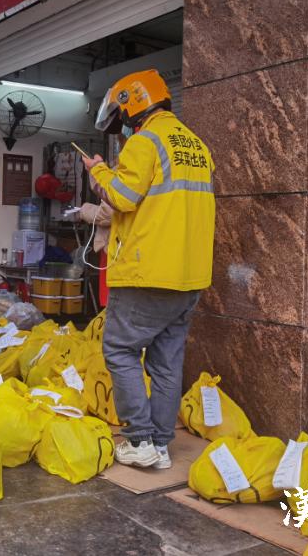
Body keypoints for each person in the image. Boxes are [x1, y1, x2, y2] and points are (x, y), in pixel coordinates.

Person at [83, 69, 215, 470]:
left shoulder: (146, 142)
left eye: (122, 114)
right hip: (188, 277)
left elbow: (123, 196)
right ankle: (159, 444)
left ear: (133, 104)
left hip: (148, 274)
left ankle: (139, 440)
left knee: (120, 349)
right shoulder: (195, 145)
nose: (122, 123)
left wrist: (99, 171)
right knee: (166, 363)